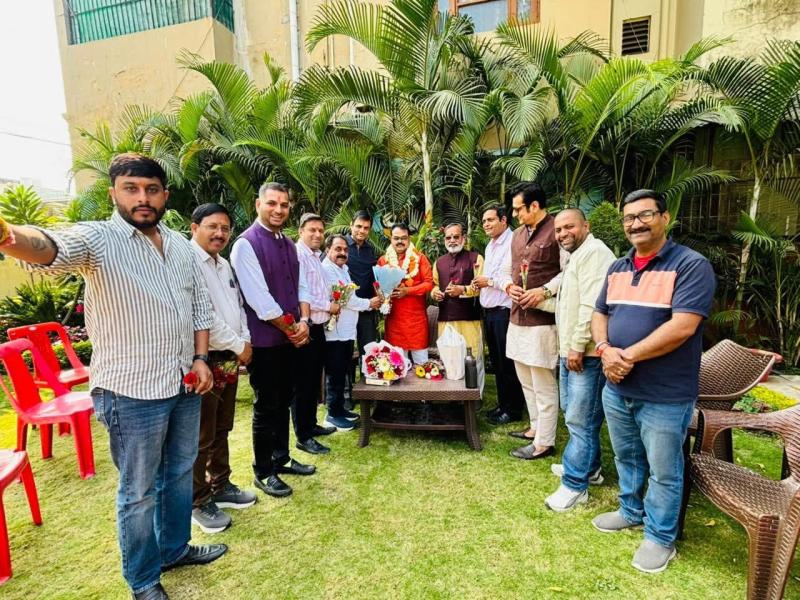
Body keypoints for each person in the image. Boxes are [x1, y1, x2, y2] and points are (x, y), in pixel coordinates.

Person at [0, 153, 225, 600]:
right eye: (131, 189)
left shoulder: (181, 246)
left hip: (183, 381)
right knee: (138, 491)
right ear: (113, 193)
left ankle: (174, 549)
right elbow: (50, 247)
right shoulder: (99, 239)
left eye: (151, 190)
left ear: (164, 195)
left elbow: (199, 307)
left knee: (180, 472)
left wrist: (201, 358)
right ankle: (143, 580)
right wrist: (9, 236)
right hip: (130, 392)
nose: (143, 198)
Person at [590, 189, 715, 573]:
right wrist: (605, 349)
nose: (636, 224)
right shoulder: (619, 267)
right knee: (626, 456)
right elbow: (600, 313)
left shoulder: (690, 265)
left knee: (664, 469)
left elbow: (683, 327)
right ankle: (630, 511)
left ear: (665, 217)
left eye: (645, 215)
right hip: (617, 387)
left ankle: (660, 537)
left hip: (665, 393)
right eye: (629, 218)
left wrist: (625, 356)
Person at [230, 182, 316, 500]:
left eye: (284, 204)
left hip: (290, 338)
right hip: (265, 342)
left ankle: (282, 457)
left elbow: (301, 286)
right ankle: (264, 471)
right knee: (266, 406)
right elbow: (259, 300)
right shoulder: (245, 244)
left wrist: (304, 320)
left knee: (284, 400)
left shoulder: (289, 244)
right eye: (272, 203)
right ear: (258, 205)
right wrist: (294, 329)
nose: (278, 209)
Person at [189, 203, 258, 535]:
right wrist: (238, 344)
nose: (220, 233)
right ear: (194, 228)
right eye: (212, 226)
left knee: (221, 425)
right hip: (204, 358)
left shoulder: (224, 263)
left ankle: (221, 484)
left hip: (229, 355)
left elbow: (238, 306)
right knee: (201, 433)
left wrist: (244, 340)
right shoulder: (189, 263)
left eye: (225, 228)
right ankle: (198, 500)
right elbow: (203, 316)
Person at [541, 208, 615, 512]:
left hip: (586, 354)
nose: (562, 234)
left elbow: (592, 306)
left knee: (580, 419)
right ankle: (590, 468)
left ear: (586, 225)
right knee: (574, 413)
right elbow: (567, 303)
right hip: (572, 350)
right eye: (558, 230)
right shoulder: (578, 255)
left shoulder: (595, 253)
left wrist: (577, 345)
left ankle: (574, 485)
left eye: (568, 227)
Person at [497, 182, 565, 460]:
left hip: (542, 321)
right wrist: (507, 286)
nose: (515, 214)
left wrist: (544, 291)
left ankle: (544, 442)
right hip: (517, 318)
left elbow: (568, 271)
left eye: (518, 209)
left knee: (543, 383)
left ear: (534, 206)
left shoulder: (558, 230)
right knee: (525, 378)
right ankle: (535, 428)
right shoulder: (517, 235)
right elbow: (505, 270)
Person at [472, 205, 526, 425]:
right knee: (497, 362)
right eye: (484, 221)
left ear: (504, 220)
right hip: (491, 312)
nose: (486, 224)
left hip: (504, 311)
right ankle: (503, 405)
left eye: (490, 220)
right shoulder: (491, 245)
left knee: (507, 362)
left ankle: (513, 409)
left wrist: (489, 281)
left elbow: (513, 276)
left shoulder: (513, 242)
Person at [322, 234, 381, 430]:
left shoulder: (343, 269)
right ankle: (332, 414)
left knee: (342, 371)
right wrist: (369, 303)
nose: (342, 253)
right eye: (337, 249)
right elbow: (347, 300)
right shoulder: (327, 270)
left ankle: (340, 409)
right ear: (327, 250)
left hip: (346, 331)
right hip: (334, 332)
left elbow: (348, 296)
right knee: (335, 374)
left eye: (345, 250)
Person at [293, 213, 338, 455]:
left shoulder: (315, 257)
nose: (317, 234)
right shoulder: (298, 255)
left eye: (321, 230)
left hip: (318, 328)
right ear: (301, 231)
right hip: (305, 327)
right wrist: (329, 306)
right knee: (303, 384)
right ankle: (303, 435)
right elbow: (303, 294)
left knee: (312, 382)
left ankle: (311, 425)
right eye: (312, 230)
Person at [431, 222, 485, 391]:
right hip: (446, 320)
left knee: (472, 358)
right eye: (448, 237)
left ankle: (475, 397)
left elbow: (482, 288)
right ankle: (451, 398)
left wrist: (462, 290)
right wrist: (435, 293)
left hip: (469, 319)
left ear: (464, 238)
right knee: (448, 360)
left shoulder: (476, 259)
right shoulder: (439, 262)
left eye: (456, 236)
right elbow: (434, 285)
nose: (452, 240)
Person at [377, 223, 434, 364]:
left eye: (404, 238)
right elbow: (377, 286)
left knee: (422, 365)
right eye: (396, 238)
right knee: (398, 365)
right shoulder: (383, 261)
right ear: (391, 239)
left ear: (409, 239)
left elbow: (429, 283)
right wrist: (382, 295)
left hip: (416, 322)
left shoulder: (420, 259)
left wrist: (407, 291)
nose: (400, 241)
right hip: (394, 322)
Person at [346, 210, 379, 358]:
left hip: (367, 307)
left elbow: (374, 277)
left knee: (369, 351)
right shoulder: (340, 245)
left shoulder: (370, 250)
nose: (361, 231)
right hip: (345, 307)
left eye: (366, 228)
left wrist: (379, 295)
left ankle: (367, 372)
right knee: (343, 351)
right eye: (358, 226)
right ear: (351, 225)